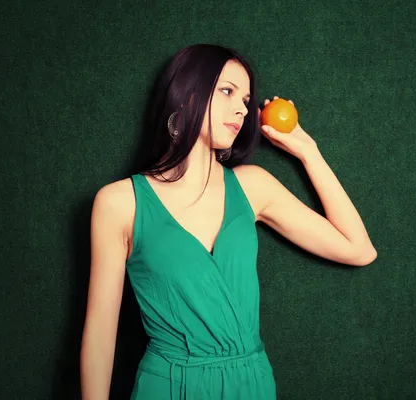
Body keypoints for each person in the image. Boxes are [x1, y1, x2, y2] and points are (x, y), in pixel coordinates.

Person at [80, 43, 377, 400]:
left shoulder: (252, 186)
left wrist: (307, 150)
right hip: (168, 386)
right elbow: (99, 335)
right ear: (187, 96)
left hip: (251, 383)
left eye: (246, 100)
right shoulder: (119, 202)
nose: (242, 108)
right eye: (227, 91)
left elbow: (359, 249)